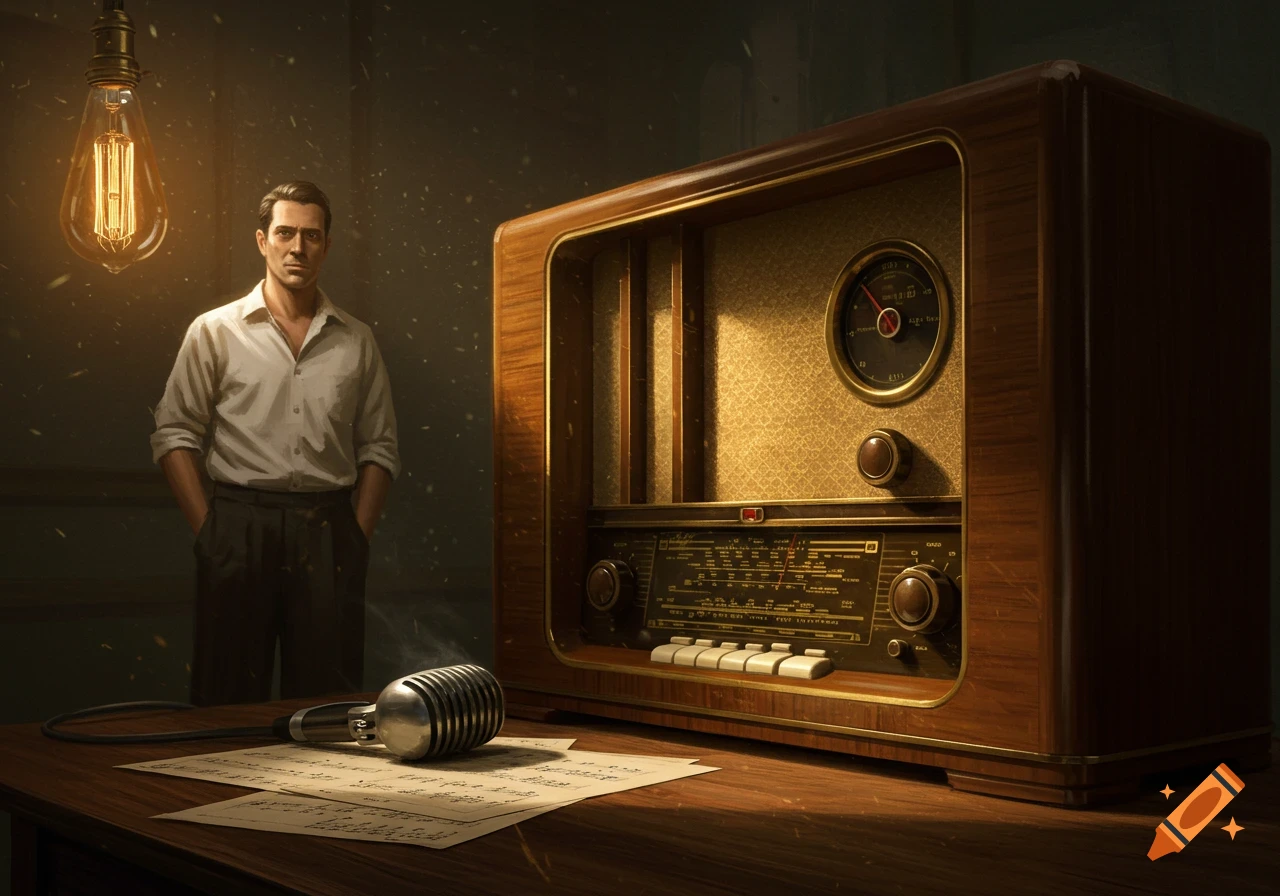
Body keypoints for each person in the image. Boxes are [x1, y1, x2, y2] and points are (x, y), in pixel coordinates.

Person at [150, 180, 400, 706]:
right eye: (285, 233)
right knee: (227, 700)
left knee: (326, 704)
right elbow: (174, 433)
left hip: (328, 529)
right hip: (239, 524)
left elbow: (379, 445)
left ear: (326, 246)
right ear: (262, 241)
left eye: (311, 235)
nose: (298, 247)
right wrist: (209, 532)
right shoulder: (214, 332)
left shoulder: (357, 339)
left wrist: (355, 536)